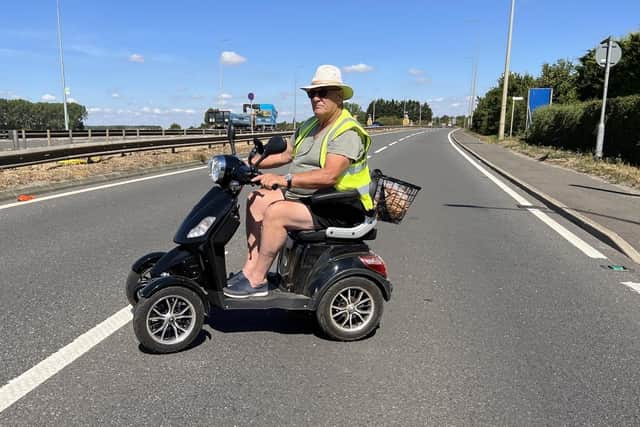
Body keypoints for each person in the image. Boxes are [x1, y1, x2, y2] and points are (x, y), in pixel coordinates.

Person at [223, 64, 374, 298]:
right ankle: (251, 269)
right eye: (311, 93)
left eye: (322, 92)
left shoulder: (347, 131)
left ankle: (257, 279)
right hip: (312, 198)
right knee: (256, 199)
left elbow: (329, 175)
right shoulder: (309, 125)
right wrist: (251, 163)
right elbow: (286, 155)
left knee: (276, 213)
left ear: (339, 96)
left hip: (339, 205)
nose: (316, 98)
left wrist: (284, 180)